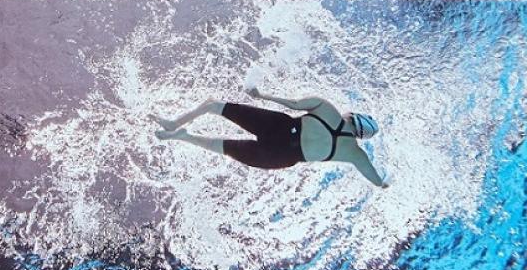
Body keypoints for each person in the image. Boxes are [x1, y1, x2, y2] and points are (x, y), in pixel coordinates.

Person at [152, 86, 389, 188]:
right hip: (280, 157)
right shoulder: (354, 153)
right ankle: (182, 136)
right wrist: (386, 183)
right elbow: (376, 179)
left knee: (214, 105)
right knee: (222, 146)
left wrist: (261, 95)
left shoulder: (328, 109)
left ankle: (175, 123)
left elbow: (293, 103)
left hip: (280, 128)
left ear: (354, 116)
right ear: (361, 135)